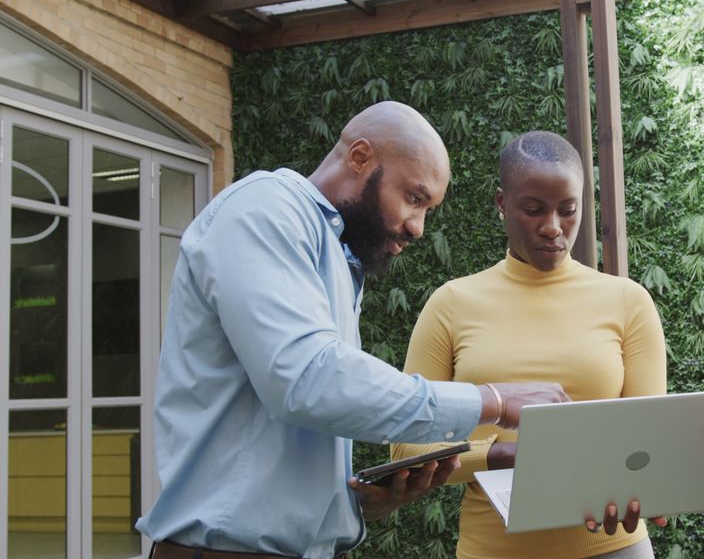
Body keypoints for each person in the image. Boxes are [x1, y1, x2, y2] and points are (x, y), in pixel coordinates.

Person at [135, 102, 571, 559]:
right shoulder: (264, 209)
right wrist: (493, 401)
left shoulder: (336, 252)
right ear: (360, 157)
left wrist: (356, 505)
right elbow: (306, 380)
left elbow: (297, 417)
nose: (418, 227)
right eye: (414, 198)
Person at [391, 131, 668, 558]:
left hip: (614, 548)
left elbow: (648, 441)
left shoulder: (629, 303)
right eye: (533, 210)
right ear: (502, 203)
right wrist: (500, 455)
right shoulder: (452, 304)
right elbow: (406, 448)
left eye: (568, 210)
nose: (553, 227)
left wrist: (644, 489)